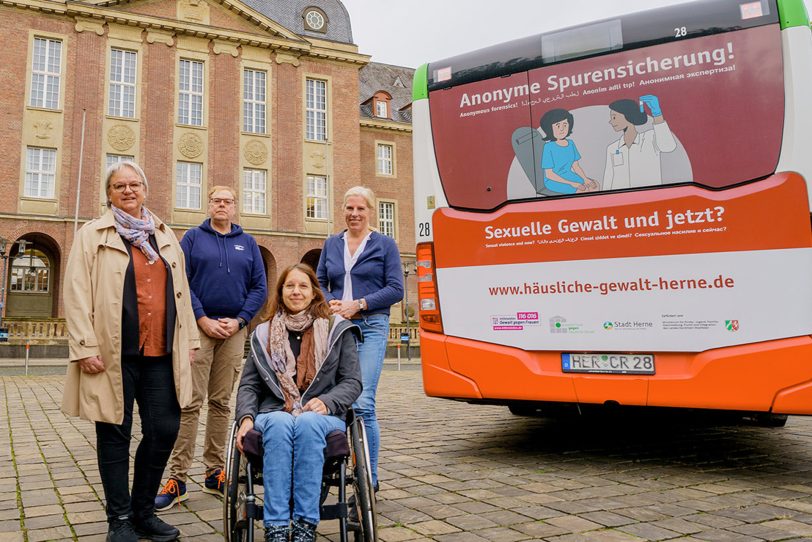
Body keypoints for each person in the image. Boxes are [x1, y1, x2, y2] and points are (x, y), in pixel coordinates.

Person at [62, 160, 199, 542]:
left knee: (164, 429)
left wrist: (188, 341)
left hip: (160, 353)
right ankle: (118, 519)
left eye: (135, 184)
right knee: (114, 434)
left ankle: (143, 512)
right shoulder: (93, 234)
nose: (128, 191)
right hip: (110, 354)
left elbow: (182, 295)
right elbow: (75, 293)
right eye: (119, 186)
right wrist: (85, 345)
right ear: (109, 193)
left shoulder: (165, 234)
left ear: (145, 190)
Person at [156, 186, 267, 509]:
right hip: (198, 328)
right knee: (190, 401)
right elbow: (181, 281)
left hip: (233, 331)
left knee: (220, 402)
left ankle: (214, 471)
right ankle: (177, 478)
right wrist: (202, 318)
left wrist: (242, 320)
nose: (221, 205)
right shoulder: (192, 238)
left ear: (235, 207)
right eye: (216, 200)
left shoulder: (248, 243)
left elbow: (259, 286)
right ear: (209, 205)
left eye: (228, 201)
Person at [234, 264, 362, 542]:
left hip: (323, 415)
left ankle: (305, 522)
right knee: (280, 423)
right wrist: (245, 418)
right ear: (280, 292)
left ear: (314, 292)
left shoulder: (337, 330)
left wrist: (327, 401)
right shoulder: (263, 334)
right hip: (274, 411)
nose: (296, 291)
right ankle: (277, 525)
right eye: (289, 286)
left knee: (306, 422)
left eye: (303, 286)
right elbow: (249, 385)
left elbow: (352, 382)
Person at [316, 186, 403, 493]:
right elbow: (320, 282)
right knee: (333, 402)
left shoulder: (385, 245)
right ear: (343, 210)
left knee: (363, 404)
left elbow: (396, 289)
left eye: (360, 209)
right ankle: (332, 470)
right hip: (337, 330)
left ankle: (369, 479)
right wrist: (331, 302)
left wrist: (359, 304)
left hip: (370, 327)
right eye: (349, 208)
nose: (354, 214)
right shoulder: (331, 243)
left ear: (371, 211)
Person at [603, 95, 677, 190]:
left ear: (628, 116)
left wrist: (657, 115)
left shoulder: (650, 138)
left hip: (651, 199)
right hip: (622, 201)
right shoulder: (612, 148)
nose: (610, 121)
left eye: (614, 117)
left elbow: (668, 147)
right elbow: (608, 180)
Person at [539, 108, 598, 195]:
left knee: (594, 185)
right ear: (549, 128)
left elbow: (576, 166)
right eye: (558, 126)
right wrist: (572, 183)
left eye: (565, 125)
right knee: (583, 191)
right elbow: (549, 174)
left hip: (569, 175)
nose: (562, 129)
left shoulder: (570, 143)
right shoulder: (548, 147)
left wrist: (585, 179)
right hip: (554, 180)